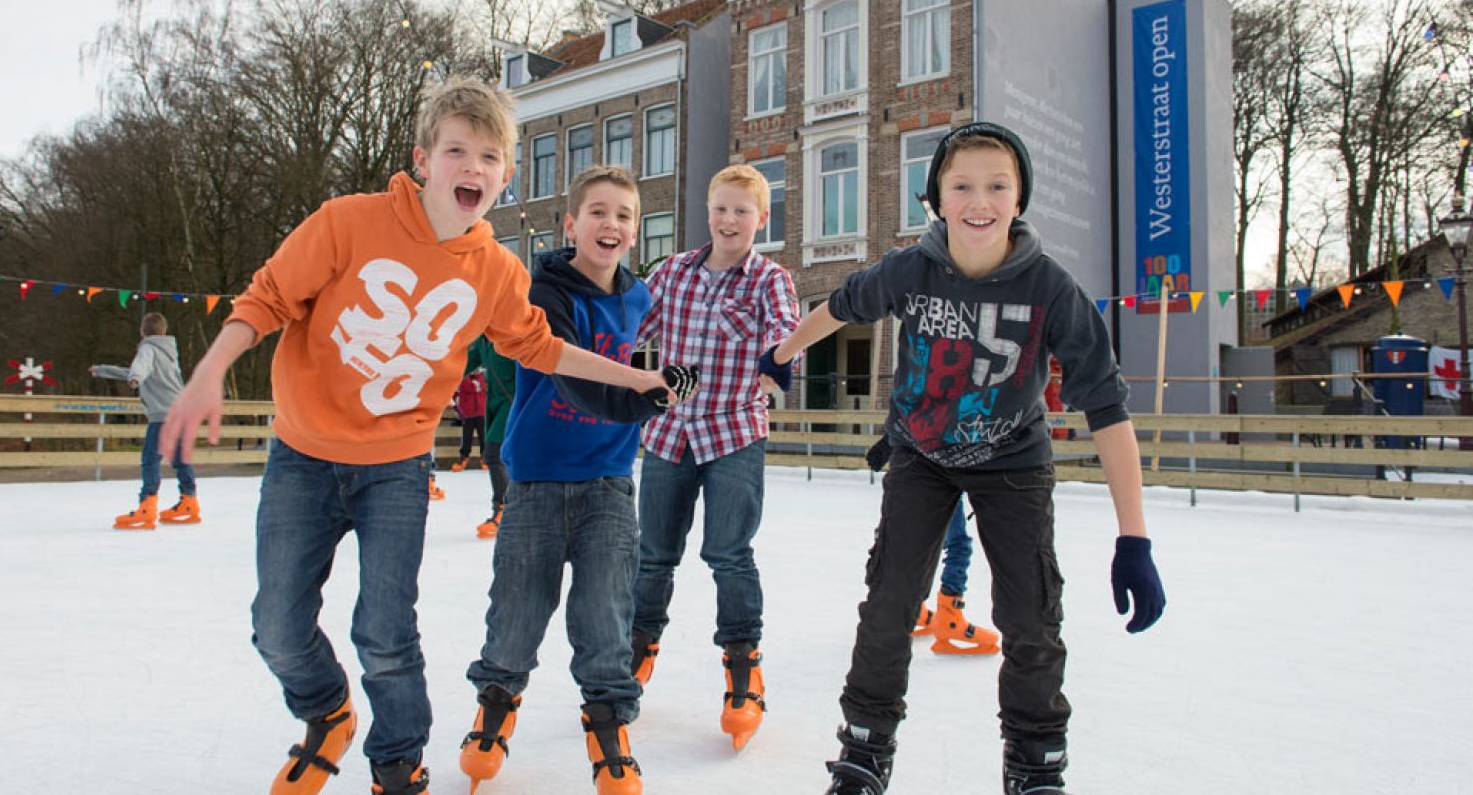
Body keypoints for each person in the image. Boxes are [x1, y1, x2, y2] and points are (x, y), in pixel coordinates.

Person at [157, 78, 671, 795]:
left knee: (385, 631)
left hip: (397, 467)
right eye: (456, 150)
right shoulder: (346, 222)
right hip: (302, 457)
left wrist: (631, 380)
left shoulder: (495, 270)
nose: (472, 167)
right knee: (275, 624)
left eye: (488, 157)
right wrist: (211, 368)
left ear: (506, 176)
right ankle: (326, 710)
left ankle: (397, 762)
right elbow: (267, 296)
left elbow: (540, 346)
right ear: (422, 158)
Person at [759, 122, 1166, 794]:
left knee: (1031, 616)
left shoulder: (1049, 289)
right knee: (890, 604)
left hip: (1013, 461)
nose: (980, 201)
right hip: (920, 457)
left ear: (1018, 198)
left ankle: (1034, 764)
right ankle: (863, 751)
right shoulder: (907, 269)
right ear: (937, 199)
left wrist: (1134, 538)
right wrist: (783, 351)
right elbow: (838, 306)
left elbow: (1108, 411)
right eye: (962, 186)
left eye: (997, 186)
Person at [460, 165, 696, 795]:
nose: (610, 224)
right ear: (571, 224)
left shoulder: (643, 301)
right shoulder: (544, 295)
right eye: (597, 212)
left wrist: (672, 384)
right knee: (517, 610)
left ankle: (609, 724)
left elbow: (659, 370)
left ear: (636, 229)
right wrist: (644, 397)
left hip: (609, 484)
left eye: (623, 215)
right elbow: (577, 378)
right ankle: (496, 702)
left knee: (606, 616)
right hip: (535, 480)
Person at [629, 163, 800, 751]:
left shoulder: (769, 280)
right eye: (721, 209)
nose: (730, 220)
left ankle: (742, 668)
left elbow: (784, 335)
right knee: (653, 555)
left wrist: (779, 361)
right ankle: (637, 649)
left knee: (728, 554)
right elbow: (629, 325)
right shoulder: (674, 271)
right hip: (669, 434)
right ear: (708, 212)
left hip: (733, 433)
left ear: (762, 218)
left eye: (742, 211)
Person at [867, 437, 999, 656]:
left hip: (924, 473)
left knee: (918, 543)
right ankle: (949, 619)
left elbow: (907, 417)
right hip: (941, 475)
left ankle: (913, 607)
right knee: (958, 545)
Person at [90, 312, 200, 529]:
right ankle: (189, 501)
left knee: (150, 459)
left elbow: (139, 368)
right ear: (164, 331)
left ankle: (147, 506)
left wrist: (135, 378)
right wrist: (102, 370)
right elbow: (136, 370)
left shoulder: (147, 349)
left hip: (162, 415)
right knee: (180, 459)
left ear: (143, 331)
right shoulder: (169, 352)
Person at [465, 335, 513, 538]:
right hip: (494, 403)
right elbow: (462, 364)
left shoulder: (511, 332)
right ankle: (508, 508)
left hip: (514, 401)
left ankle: (504, 510)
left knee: (493, 453)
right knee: (498, 455)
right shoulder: (483, 340)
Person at [450, 370, 486, 471]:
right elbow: (454, 393)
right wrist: (458, 409)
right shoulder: (460, 378)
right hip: (467, 413)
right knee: (466, 437)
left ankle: (485, 459)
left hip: (481, 412)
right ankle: (463, 458)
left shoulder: (484, 377)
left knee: (483, 436)